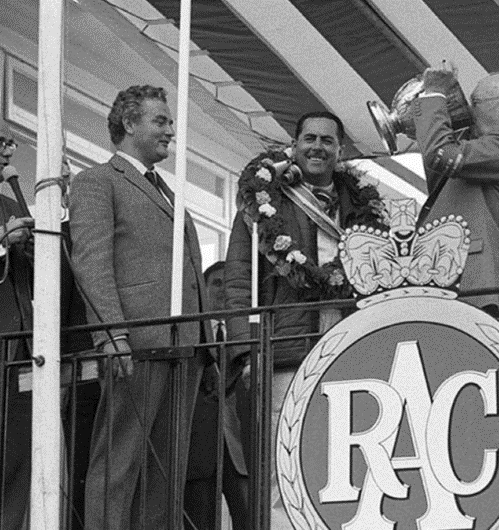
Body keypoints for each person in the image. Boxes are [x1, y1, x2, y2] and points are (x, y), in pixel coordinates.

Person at [225, 111, 387, 528]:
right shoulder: (265, 198)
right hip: (286, 352)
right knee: (286, 459)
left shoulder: (361, 203)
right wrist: (246, 350)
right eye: (309, 138)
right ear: (294, 146)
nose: (318, 147)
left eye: (327, 141)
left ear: (340, 150)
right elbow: (239, 276)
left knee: (347, 461)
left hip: (351, 352)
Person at [69, 85, 211, 530]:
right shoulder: (97, 181)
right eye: (161, 121)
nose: (171, 131)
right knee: (120, 458)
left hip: (184, 343)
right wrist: (112, 335)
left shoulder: (168, 191)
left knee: (168, 466)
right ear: (129, 124)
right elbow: (92, 263)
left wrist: (206, 334)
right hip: (138, 341)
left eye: (170, 122)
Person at [412, 69, 499, 353]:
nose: (468, 111)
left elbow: (441, 156)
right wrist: (421, 122)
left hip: (493, 294)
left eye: (474, 102)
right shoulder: (490, 153)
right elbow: (442, 179)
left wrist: (434, 96)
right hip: (470, 291)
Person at [0, 109, 34, 530]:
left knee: (13, 472)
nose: (8, 151)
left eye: (10, 142)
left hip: (18, 357)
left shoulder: (6, 201)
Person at [185, 260, 249, 530]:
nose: (223, 291)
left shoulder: (246, 335)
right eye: (216, 283)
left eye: (228, 283)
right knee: (200, 520)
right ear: (204, 288)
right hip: (199, 448)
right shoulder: (191, 334)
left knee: (249, 518)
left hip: (238, 449)